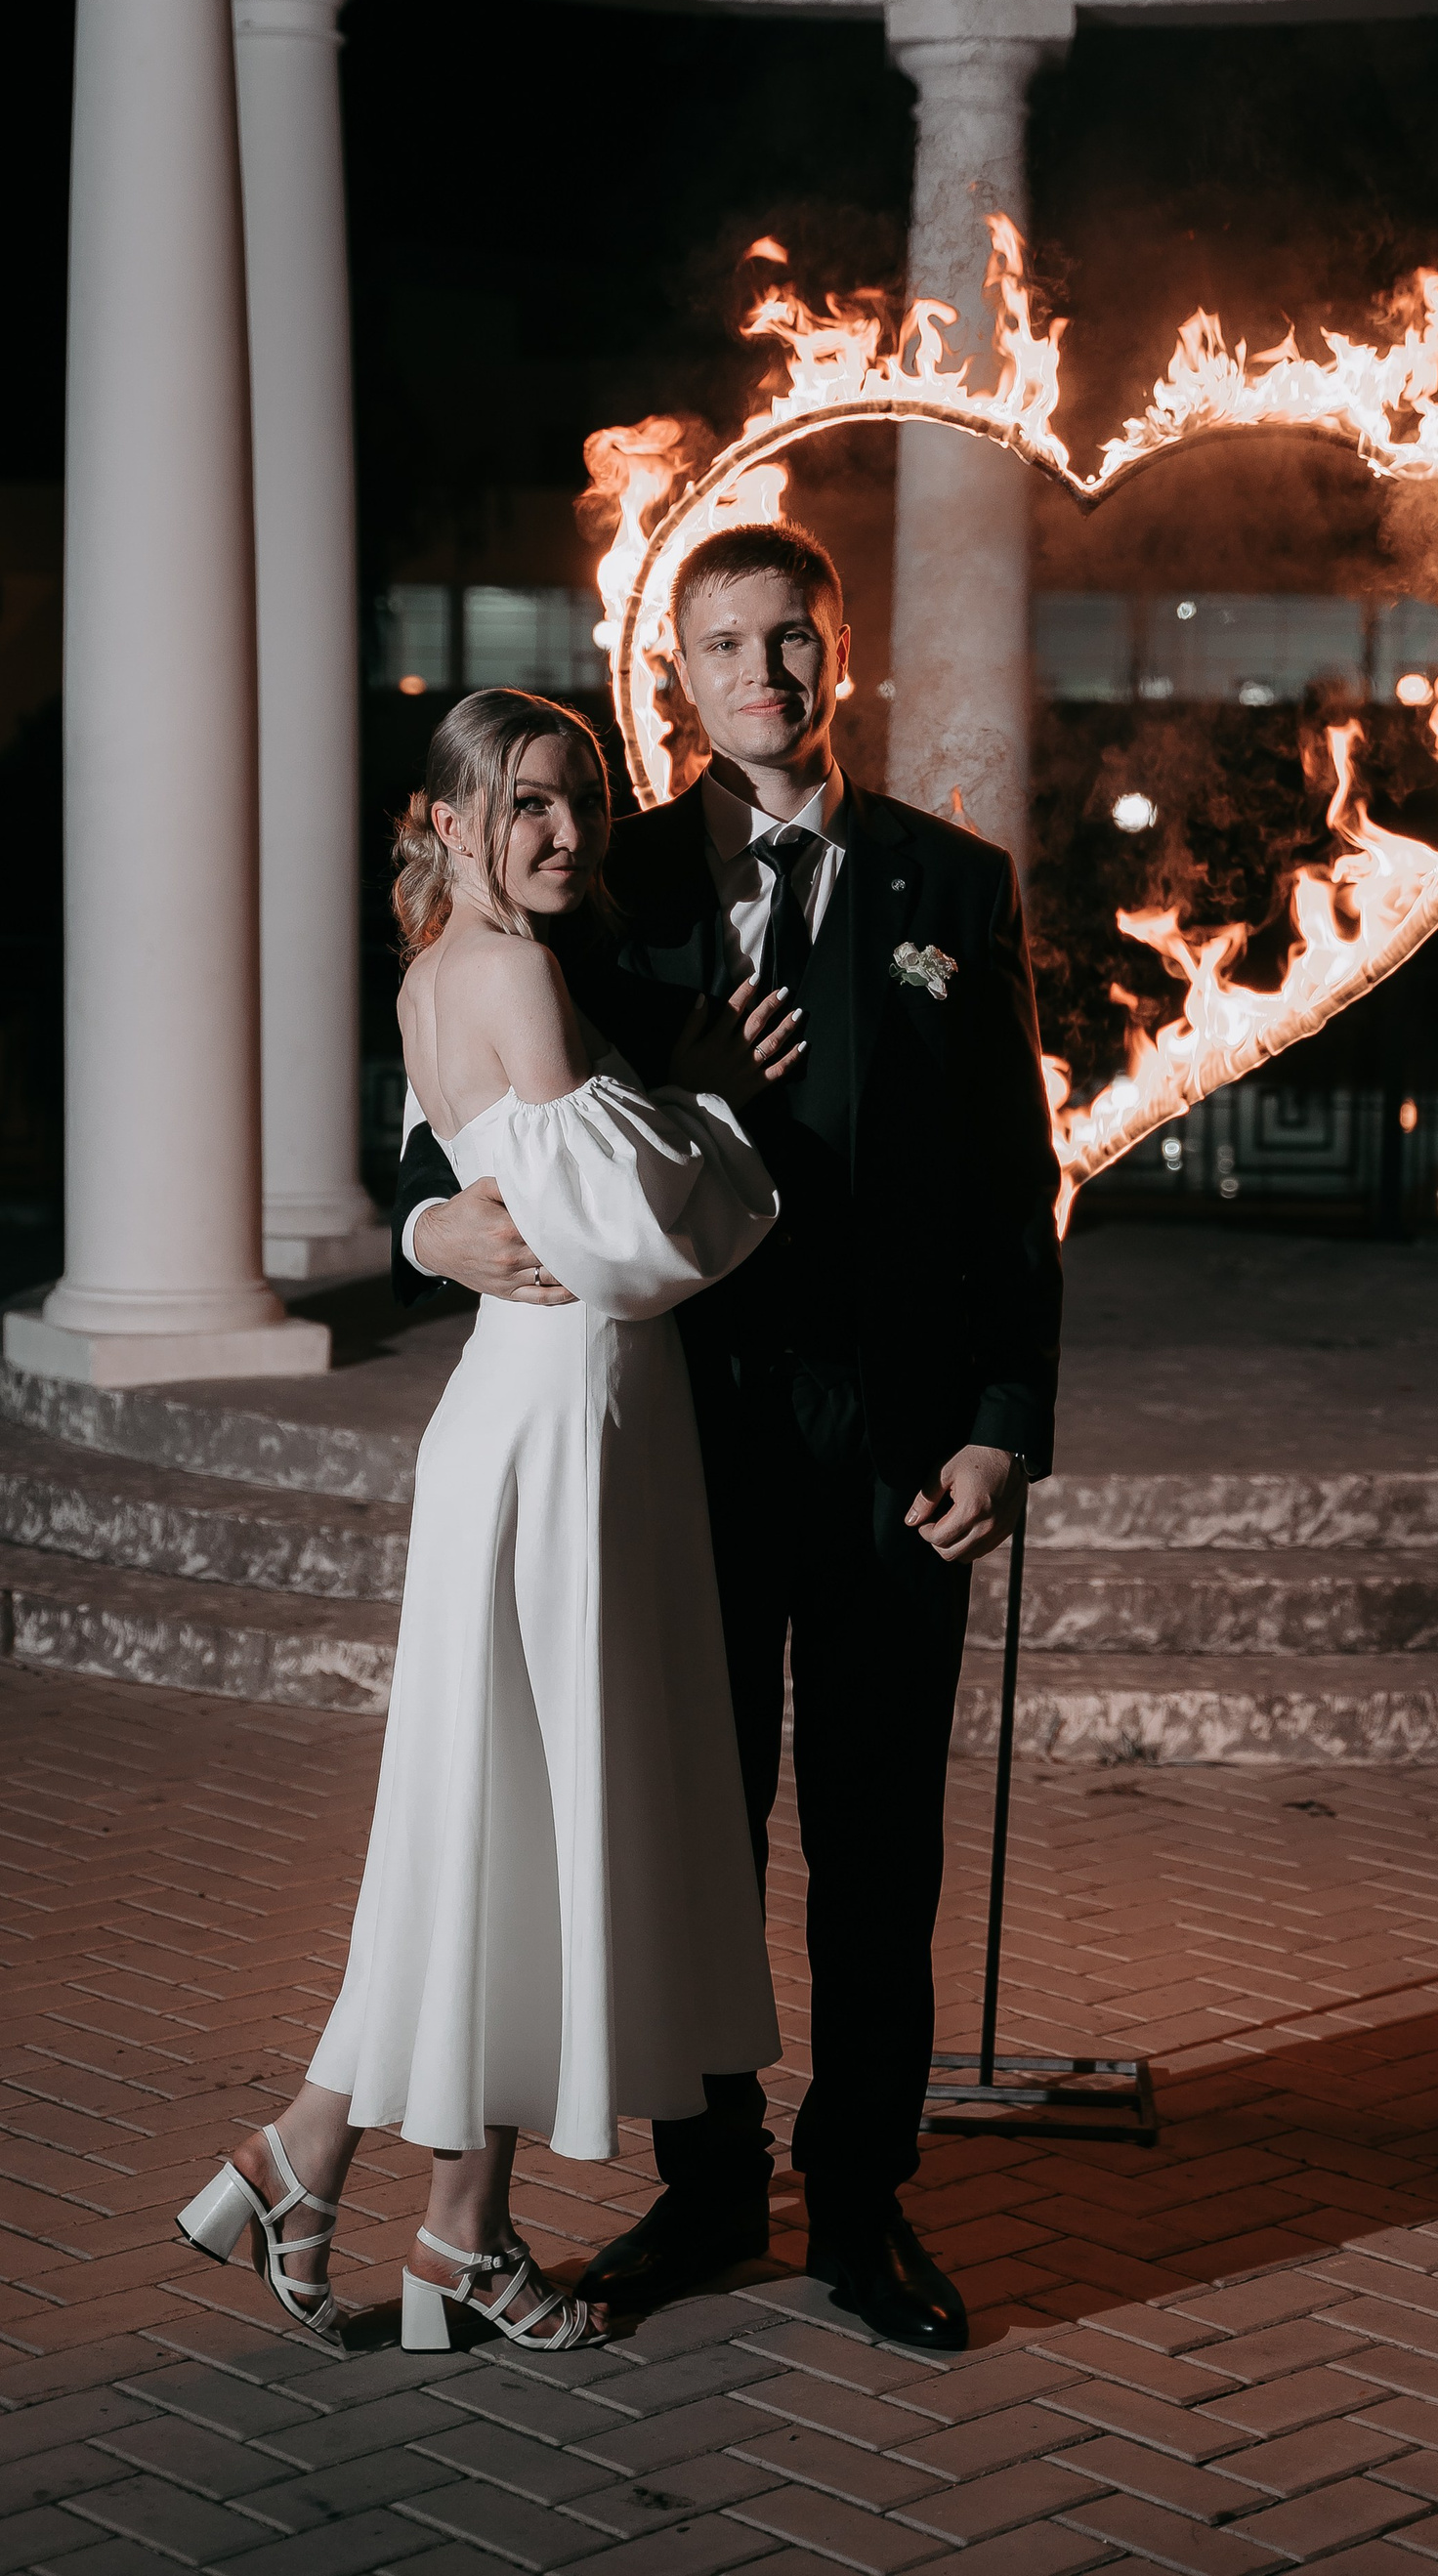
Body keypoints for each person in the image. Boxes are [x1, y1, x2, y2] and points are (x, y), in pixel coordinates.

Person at [395, 525, 1063, 2351]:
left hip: (896, 1454)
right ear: (676, 673)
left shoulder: (955, 883)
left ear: (838, 650)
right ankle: (704, 2189)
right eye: (724, 645)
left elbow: (1013, 1185)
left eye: (791, 637)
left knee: (878, 1841)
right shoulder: (594, 879)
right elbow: (450, 1114)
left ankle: (860, 2202)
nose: (763, 672)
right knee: (686, 1830)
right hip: (665, 1446)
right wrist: (427, 1231)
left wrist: (1003, 1427)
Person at [176, 691, 800, 2353]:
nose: (567, 831)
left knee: (500, 1825)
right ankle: (433, 2224)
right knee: (527, 1820)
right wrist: (715, 1109)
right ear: (448, 820)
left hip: (542, 1420)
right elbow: (634, 1239)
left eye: (580, 796)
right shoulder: (514, 974)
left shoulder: (436, 972)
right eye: (527, 801)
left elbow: (548, 1181)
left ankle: (329, 2169)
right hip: (563, 1425)